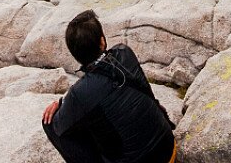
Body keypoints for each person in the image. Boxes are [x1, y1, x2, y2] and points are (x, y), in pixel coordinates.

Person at [41, 10, 176, 163]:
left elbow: (60, 126)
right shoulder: (125, 53)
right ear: (102, 41)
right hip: (167, 149)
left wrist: (61, 105)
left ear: (74, 54)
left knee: (49, 123)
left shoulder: (79, 93)